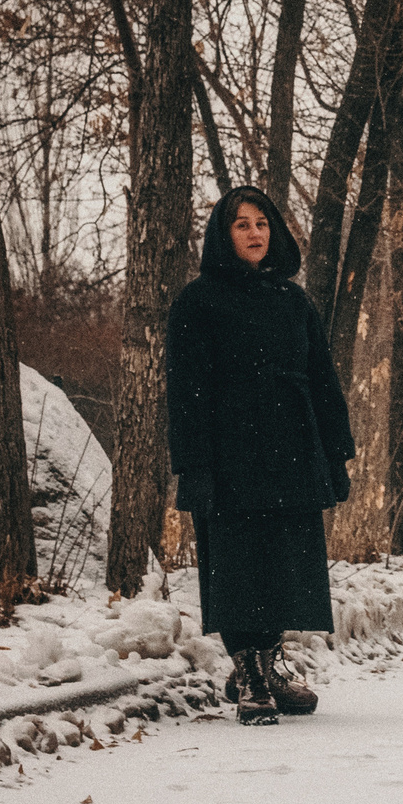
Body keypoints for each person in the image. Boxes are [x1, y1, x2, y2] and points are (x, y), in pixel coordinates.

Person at [166, 188, 356, 727]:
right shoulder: (197, 302)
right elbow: (185, 392)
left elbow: (323, 381)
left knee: (282, 565)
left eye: (262, 224)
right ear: (223, 236)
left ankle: (268, 664)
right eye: (242, 225)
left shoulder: (292, 302)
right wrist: (194, 466)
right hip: (230, 458)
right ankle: (248, 670)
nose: (254, 234)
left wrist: (337, 454)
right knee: (238, 565)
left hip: (292, 452)